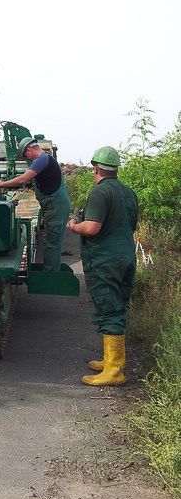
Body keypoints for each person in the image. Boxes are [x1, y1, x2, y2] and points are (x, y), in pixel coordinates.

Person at [67, 146, 138, 387]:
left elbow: (92, 228)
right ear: (116, 169)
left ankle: (115, 371)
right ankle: (111, 361)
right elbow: (131, 224)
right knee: (118, 306)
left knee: (110, 309)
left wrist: (74, 225)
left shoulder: (100, 193)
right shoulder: (127, 192)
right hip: (126, 256)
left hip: (105, 261)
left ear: (96, 168)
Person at [0, 137, 71, 273]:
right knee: (52, 241)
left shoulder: (42, 160)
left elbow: (23, 179)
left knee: (52, 243)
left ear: (29, 150)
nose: (27, 159)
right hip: (54, 204)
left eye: (25, 155)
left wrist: (1, 184)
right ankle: (50, 272)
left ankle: (50, 278)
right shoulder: (44, 159)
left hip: (56, 205)